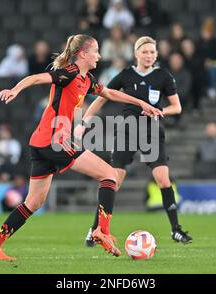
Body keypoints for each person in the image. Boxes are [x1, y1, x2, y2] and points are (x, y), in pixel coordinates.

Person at [0, 34, 163, 261]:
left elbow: (109, 93)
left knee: (33, 202)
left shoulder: (87, 79)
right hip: (54, 141)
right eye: (96, 51)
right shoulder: (69, 73)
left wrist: (141, 103)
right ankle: (102, 231)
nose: (99, 55)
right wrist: (15, 90)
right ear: (83, 54)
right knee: (109, 174)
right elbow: (37, 78)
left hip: (40, 143)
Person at [80, 36, 192, 247]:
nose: (149, 55)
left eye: (152, 52)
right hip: (127, 132)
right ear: (136, 54)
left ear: (157, 55)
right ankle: (95, 230)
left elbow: (177, 107)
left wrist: (161, 111)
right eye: (145, 51)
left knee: (163, 180)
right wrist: (84, 122)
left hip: (152, 132)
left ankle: (176, 230)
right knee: (112, 181)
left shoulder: (163, 76)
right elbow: (102, 97)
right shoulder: (126, 75)